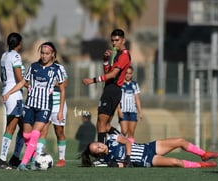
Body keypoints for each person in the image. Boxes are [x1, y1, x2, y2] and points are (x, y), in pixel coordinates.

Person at [2, 42, 65, 171]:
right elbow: (23, 82)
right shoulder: (34, 66)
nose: (44, 56)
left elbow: (63, 90)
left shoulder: (57, 69)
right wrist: (9, 92)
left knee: (35, 134)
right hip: (30, 105)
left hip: (45, 107)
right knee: (26, 135)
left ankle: (24, 164)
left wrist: (60, 110)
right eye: (42, 53)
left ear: (52, 54)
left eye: (47, 54)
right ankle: (35, 155)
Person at [82, 28, 131, 166]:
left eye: (117, 40)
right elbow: (108, 72)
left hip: (113, 91)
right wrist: (105, 61)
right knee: (106, 124)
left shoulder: (124, 56)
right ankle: (124, 141)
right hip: (111, 89)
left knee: (101, 123)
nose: (114, 43)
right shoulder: (117, 54)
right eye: (113, 40)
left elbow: (113, 75)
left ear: (123, 40)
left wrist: (92, 80)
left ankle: (102, 156)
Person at [80, 133, 218, 168]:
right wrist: (118, 165)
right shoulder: (109, 159)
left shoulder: (111, 139)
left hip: (149, 147)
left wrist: (127, 156)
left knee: (180, 141)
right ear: (97, 154)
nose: (100, 146)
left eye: (98, 144)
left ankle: (204, 154)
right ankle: (201, 164)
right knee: (176, 162)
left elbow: (127, 141)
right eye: (97, 149)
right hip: (148, 160)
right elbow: (122, 166)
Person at [0, 32, 25, 169]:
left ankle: (15, 158)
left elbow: (3, 77)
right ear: (19, 43)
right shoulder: (16, 56)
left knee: (24, 127)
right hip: (14, 95)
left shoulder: (4, 55)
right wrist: (30, 85)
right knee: (11, 127)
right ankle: (2, 160)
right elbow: (20, 78)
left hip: (8, 91)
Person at [36, 60, 68, 167]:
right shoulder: (39, 68)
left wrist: (53, 83)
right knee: (42, 130)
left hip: (58, 105)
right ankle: (39, 157)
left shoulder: (60, 68)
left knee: (59, 132)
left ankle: (61, 159)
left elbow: (65, 84)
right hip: (45, 104)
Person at [117, 66, 142, 143]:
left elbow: (137, 99)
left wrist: (140, 112)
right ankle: (120, 145)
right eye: (126, 73)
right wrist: (119, 110)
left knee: (131, 133)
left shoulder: (135, 84)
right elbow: (117, 99)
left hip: (133, 111)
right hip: (123, 111)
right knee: (124, 131)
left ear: (132, 74)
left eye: (130, 73)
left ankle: (131, 150)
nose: (128, 75)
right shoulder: (120, 84)